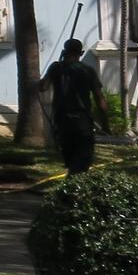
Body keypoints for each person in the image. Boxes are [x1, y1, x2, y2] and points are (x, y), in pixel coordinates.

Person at [43, 38, 106, 174]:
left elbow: (43, 86)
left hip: (61, 120)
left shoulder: (56, 68)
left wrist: (57, 64)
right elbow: (99, 98)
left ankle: (70, 189)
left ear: (64, 51)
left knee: (70, 159)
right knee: (82, 159)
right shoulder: (87, 70)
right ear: (81, 53)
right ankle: (71, 189)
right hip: (81, 120)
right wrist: (105, 122)